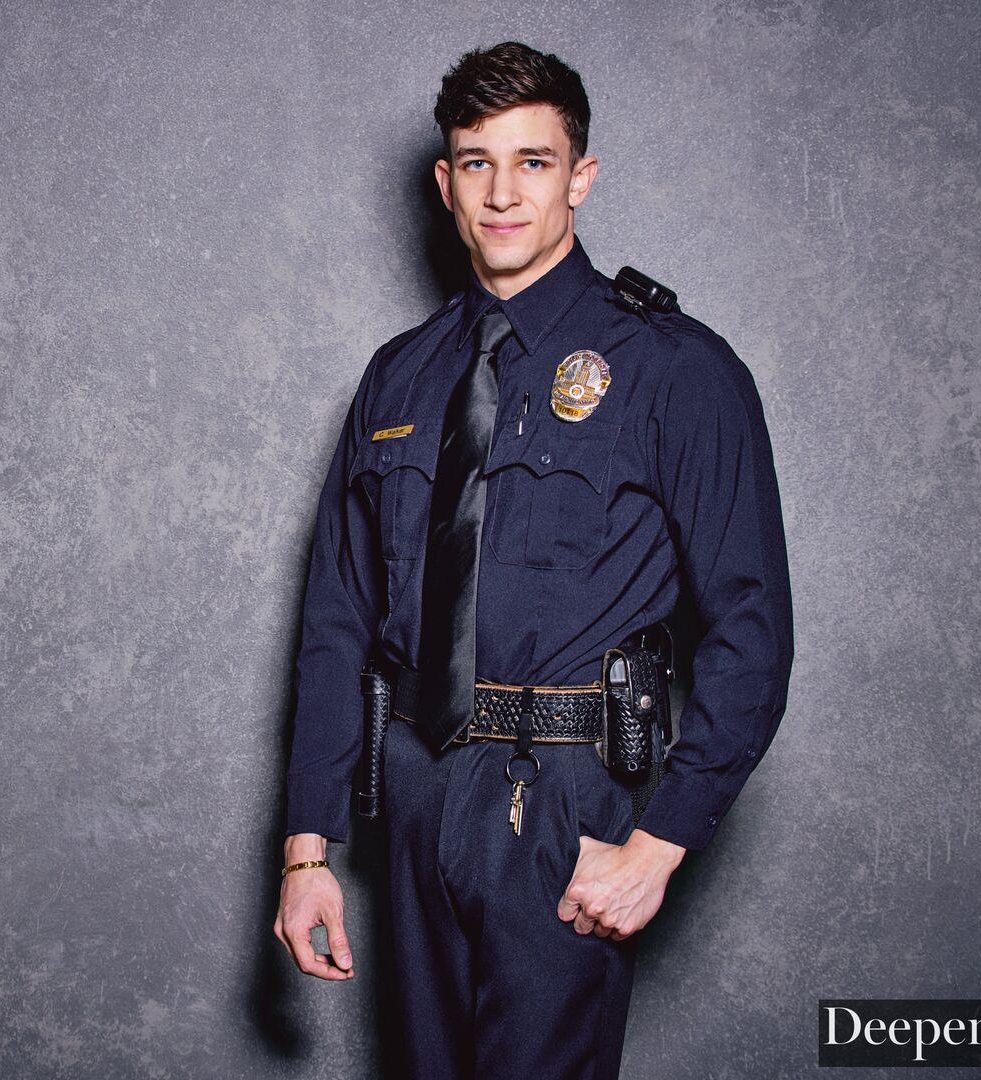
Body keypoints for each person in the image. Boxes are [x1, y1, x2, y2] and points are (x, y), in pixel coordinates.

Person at [271, 41, 796, 1079]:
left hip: (563, 800)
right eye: (476, 162)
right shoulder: (398, 376)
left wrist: (658, 844)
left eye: (533, 162)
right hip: (414, 787)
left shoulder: (673, 368)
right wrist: (305, 849)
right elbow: (335, 621)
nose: (502, 193)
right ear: (445, 183)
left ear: (579, 177)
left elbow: (750, 628)